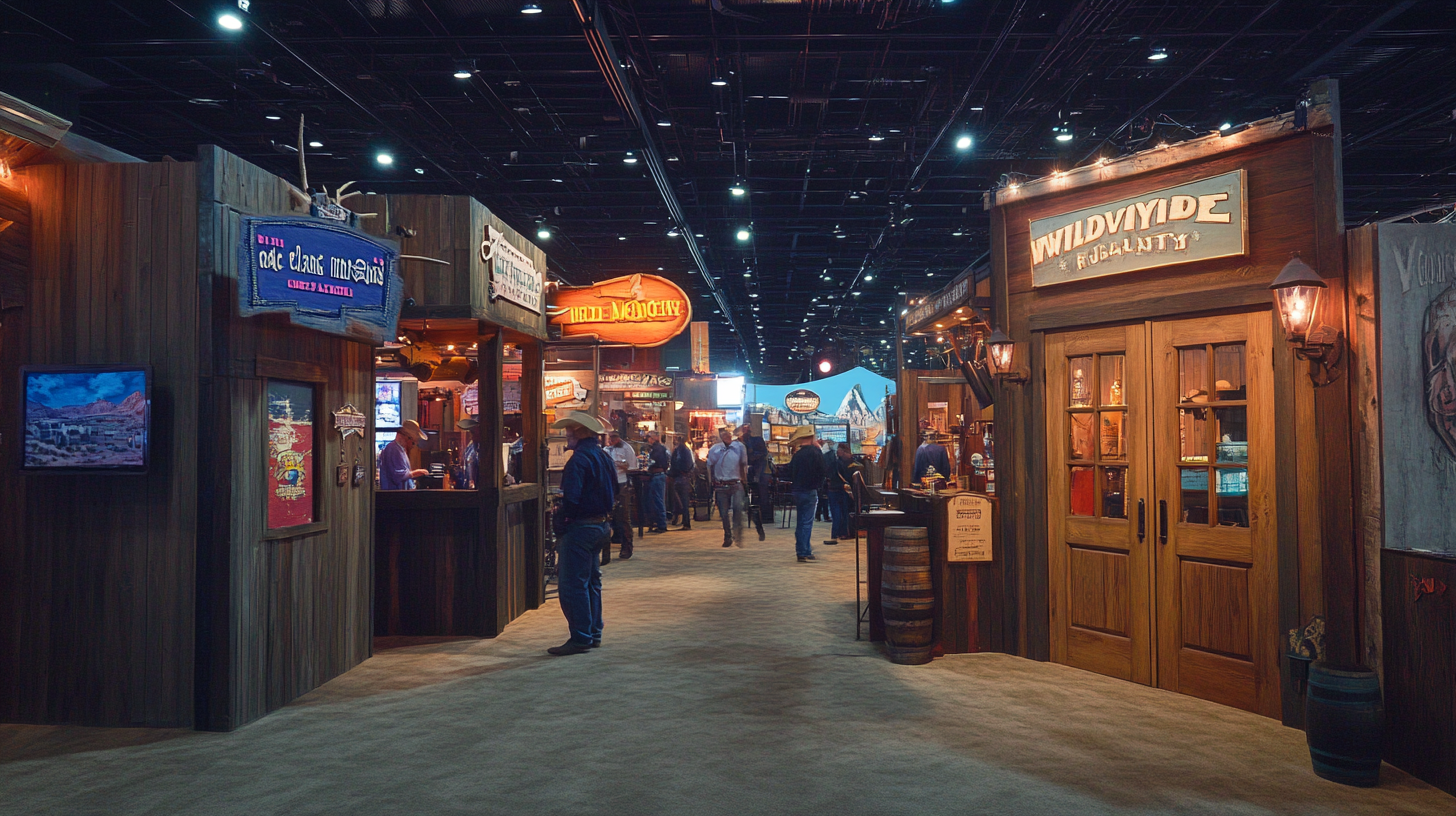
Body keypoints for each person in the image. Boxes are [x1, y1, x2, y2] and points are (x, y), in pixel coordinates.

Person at [547, 411, 616, 656]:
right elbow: (614, 490)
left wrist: (563, 520)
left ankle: (581, 637)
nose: (567, 435)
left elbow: (573, 499)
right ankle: (593, 632)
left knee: (573, 584)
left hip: (581, 527)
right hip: (600, 525)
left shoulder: (578, 460)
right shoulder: (604, 457)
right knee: (592, 582)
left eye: (569, 431)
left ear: (579, 432)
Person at [787, 426, 827, 562]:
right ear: (811, 438)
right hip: (810, 490)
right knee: (806, 522)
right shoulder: (815, 453)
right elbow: (823, 470)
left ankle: (801, 549)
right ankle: (804, 551)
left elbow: (789, 472)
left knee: (800, 521)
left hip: (797, 490)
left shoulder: (798, 455)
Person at [705, 425, 748, 548]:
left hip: (736, 483)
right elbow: (710, 466)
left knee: (738, 509)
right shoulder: (715, 449)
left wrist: (745, 481)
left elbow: (743, 464)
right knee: (723, 513)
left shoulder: (739, 447)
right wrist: (710, 483)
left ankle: (737, 533)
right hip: (721, 484)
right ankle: (727, 535)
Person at [603, 430, 636, 561]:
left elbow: (631, 467)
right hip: (609, 484)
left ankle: (627, 546)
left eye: (614, 438)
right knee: (607, 517)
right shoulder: (606, 450)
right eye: (610, 438)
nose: (611, 440)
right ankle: (606, 551)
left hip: (622, 484)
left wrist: (618, 464)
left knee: (623, 517)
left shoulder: (627, 449)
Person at [736, 424, 770, 541]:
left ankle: (760, 525)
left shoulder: (757, 441)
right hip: (745, 474)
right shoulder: (739, 444)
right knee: (747, 501)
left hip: (757, 473)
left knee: (758, 500)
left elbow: (763, 455)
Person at [379, 420, 430, 490]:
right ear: (407, 437)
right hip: (394, 496)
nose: (413, 446)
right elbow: (397, 476)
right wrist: (416, 473)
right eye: (413, 443)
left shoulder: (400, 450)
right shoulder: (393, 449)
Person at [643, 430, 670, 534]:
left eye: (649, 438)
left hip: (657, 476)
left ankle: (661, 525)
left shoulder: (657, 449)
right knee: (657, 500)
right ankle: (658, 523)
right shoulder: (659, 448)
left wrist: (648, 465)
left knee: (658, 500)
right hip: (658, 476)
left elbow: (654, 462)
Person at [827, 442, 855, 541]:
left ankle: (836, 533)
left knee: (837, 513)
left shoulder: (833, 461)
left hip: (834, 489)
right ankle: (842, 533)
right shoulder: (849, 463)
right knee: (843, 512)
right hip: (843, 489)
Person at [668, 433, 696, 530]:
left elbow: (680, 464)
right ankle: (681, 520)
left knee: (683, 501)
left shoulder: (682, 450)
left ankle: (686, 523)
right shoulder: (683, 450)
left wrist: (674, 472)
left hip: (681, 477)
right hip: (681, 476)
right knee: (680, 500)